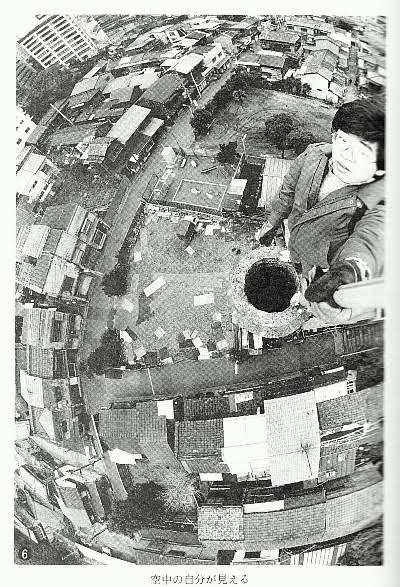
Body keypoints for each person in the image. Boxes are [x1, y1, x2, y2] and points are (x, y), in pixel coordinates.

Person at [256, 98, 385, 325]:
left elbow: (372, 238)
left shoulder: (377, 202)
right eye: (343, 140)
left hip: (320, 264)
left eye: (363, 151)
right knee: (293, 259)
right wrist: (272, 222)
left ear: (381, 168)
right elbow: (287, 191)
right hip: (294, 238)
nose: (347, 154)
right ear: (333, 136)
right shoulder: (312, 156)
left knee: (309, 289)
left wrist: (352, 271)